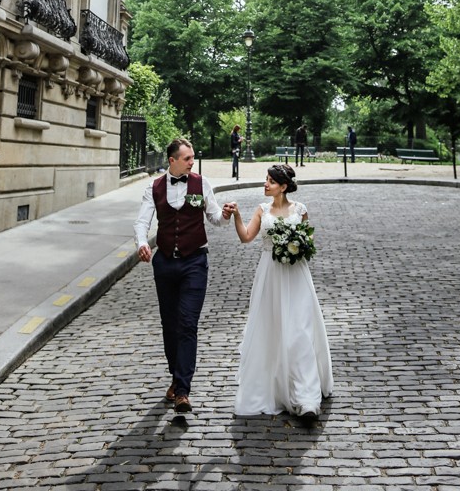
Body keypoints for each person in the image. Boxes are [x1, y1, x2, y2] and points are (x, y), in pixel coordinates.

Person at [134, 137, 235, 415]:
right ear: (173, 161)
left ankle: (182, 391)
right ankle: (175, 376)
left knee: (188, 324)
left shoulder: (201, 183)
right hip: (165, 263)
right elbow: (142, 221)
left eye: (192, 157)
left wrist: (224, 215)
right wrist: (142, 242)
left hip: (194, 261)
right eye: (188, 158)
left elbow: (214, 217)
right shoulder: (154, 187)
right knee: (170, 325)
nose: (192, 162)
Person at [231, 163, 333, 421]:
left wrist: (296, 244)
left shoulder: (300, 210)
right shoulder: (262, 210)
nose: (265, 185)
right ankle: (274, 386)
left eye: (270, 182)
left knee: (299, 331)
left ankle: (307, 398)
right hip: (270, 276)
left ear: (283, 187)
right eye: (265, 180)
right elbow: (246, 237)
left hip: (296, 276)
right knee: (272, 329)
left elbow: (309, 242)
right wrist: (236, 216)